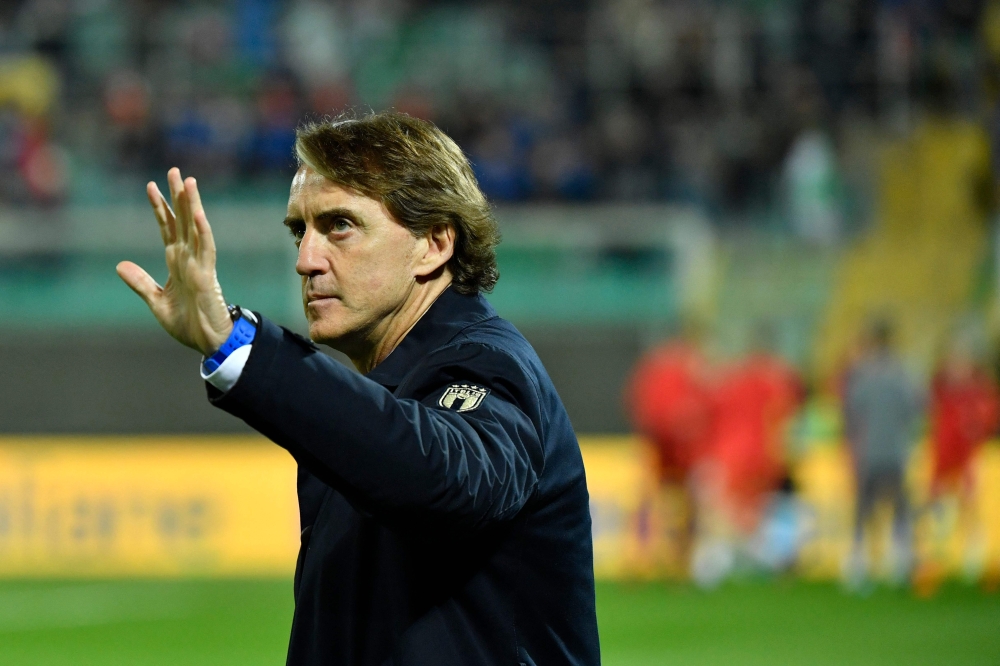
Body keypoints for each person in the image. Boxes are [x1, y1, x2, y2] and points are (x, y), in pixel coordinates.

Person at [117, 112, 601, 666]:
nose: (305, 260)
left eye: (339, 225)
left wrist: (235, 344)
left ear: (435, 243)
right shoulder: (373, 399)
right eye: (301, 230)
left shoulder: (488, 366)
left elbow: (447, 479)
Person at [842, 319, 923, 588]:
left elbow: (851, 413)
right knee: (899, 504)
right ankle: (899, 558)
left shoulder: (862, 374)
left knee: (864, 506)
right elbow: (915, 410)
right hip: (895, 450)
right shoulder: (903, 373)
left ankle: (858, 558)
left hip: (868, 450)